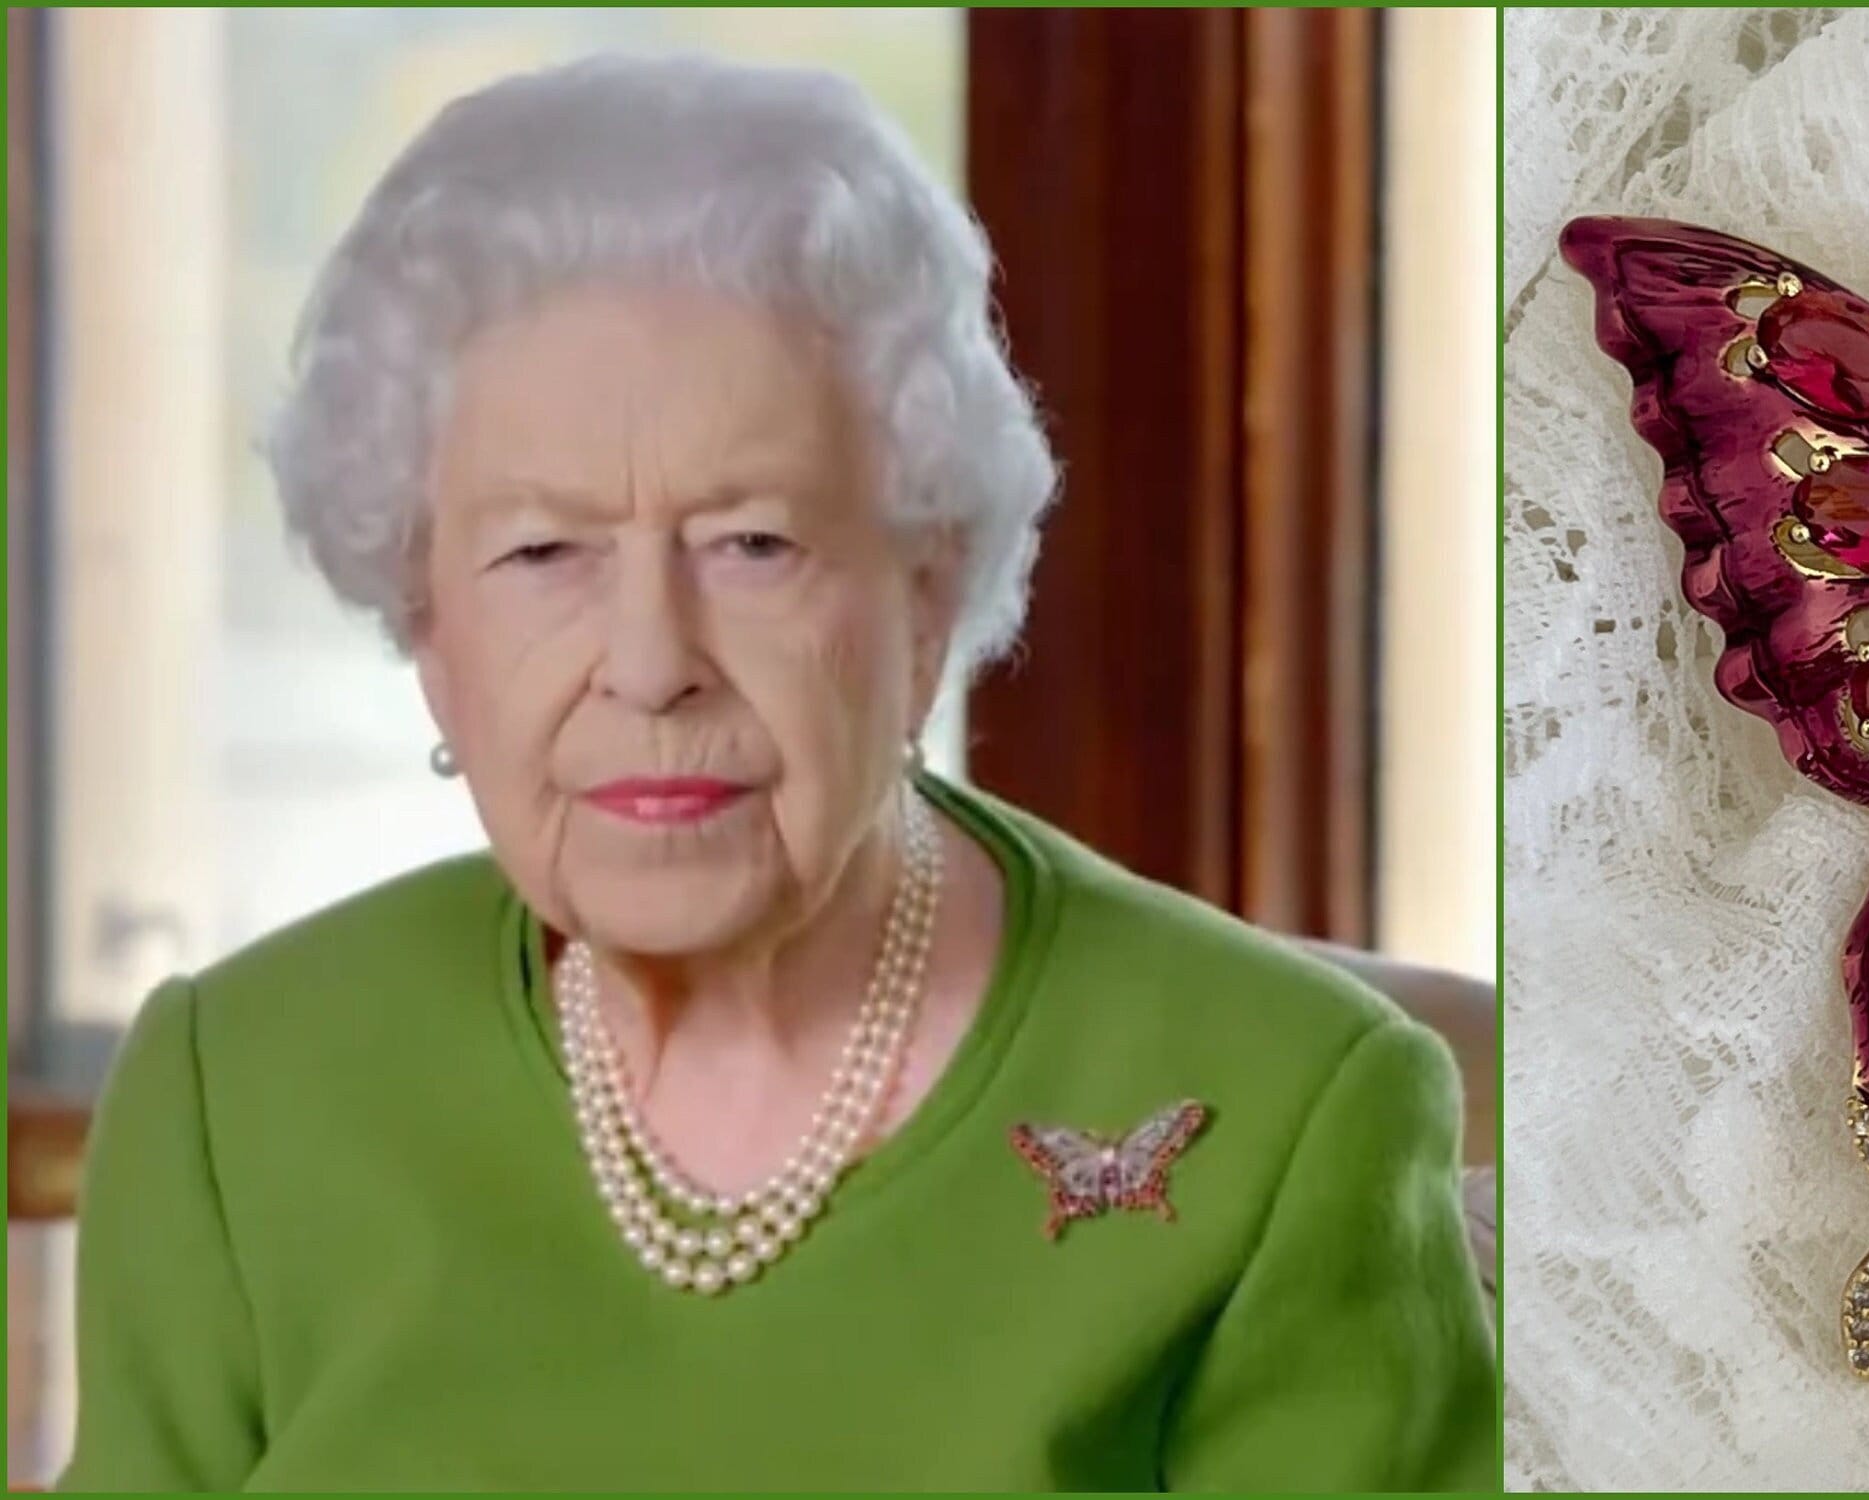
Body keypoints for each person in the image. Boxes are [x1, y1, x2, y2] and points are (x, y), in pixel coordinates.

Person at [61, 53, 1494, 1491]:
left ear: (927, 592)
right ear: (429, 629)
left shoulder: (1290, 1114)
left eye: (752, 542)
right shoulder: (236, 1100)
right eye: (542, 553)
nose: (648, 660)